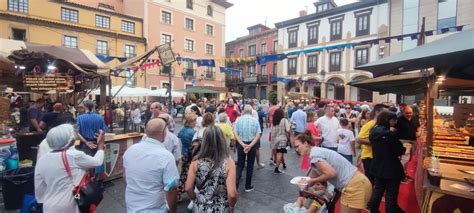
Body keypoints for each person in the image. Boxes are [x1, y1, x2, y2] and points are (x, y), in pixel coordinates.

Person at [294, 130, 372, 213]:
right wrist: (306, 185)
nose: (296, 149)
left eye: (297, 146)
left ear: (306, 143)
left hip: (354, 186)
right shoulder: (317, 152)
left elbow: (331, 173)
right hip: (359, 182)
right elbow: (314, 174)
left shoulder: (315, 156)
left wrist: (313, 181)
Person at [35, 124, 105, 213]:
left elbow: (39, 194)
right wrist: (100, 145)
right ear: (70, 141)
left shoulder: (42, 160)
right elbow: (97, 162)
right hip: (71, 204)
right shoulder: (73, 155)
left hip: (49, 207)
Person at [123, 118, 179, 213]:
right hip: (155, 209)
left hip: (132, 206)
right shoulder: (166, 156)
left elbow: (125, 175)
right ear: (163, 133)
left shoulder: (130, 150)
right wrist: (173, 211)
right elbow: (171, 189)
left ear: (146, 132)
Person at [185, 126, 238, 213]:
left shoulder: (195, 162)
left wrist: (195, 199)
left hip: (200, 207)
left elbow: (188, 188)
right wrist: (231, 207)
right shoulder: (229, 163)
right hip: (221, 208)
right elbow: (232, 194)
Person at [368, 111, 405, 213]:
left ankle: (373, 210)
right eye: (393, 120)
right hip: (391, 168)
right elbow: (399, 150)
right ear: (387, 120)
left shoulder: (373, 131)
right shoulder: (390, 134)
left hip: (377, 166)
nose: (395, 122)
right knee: (390, 195)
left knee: (378, 191)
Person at [357, 104, 388, 183]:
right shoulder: (370, 124)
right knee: (370, 180)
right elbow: (359, 139)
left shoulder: (380, 124)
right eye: (385, 113)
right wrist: (377, 142)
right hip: (369, 157)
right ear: (377, 112)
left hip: (377, 156)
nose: (387, 115)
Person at [233, 105, 261, 192]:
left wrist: (242, 144)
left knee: (240, 164)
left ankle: (236, 184)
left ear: (244, 111)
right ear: (251, 112)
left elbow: (235, 133)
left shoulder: (238, 120)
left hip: (241, 144)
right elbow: (258, 134)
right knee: (250, 165)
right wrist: (250, 145)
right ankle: (247, 186)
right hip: (251, 145)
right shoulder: (255, 121)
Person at [177, 113, 197, 202]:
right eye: (195, 121)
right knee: (190, 174)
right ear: (191, 122)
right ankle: (190, 192)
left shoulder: (182, 130)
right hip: (191, 155)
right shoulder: (193, 132)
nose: (196, 122)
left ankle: (179, 192)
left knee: (184, 174)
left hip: (184, 154)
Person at [396, 106, 419, 181]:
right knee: (404, 159)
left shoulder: (415, 119)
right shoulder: (399, 120)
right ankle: (401, 175)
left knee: (409, 159)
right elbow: (395, 130)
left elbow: (418, 128)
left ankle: (404, 173)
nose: (409, 114)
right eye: (407, 113)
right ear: (403, 113)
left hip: (413, 141)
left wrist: (419, 131)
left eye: (410, 113)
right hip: (404, 141)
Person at [270, 108, 290, 174]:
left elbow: (271, 131)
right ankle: (276, 168)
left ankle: (284, 164)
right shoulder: (284, 120)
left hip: (275, 139)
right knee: (280, 153)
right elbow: (288, 130)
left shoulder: (274, 121)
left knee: (280, 152)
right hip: (282, 139)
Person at [249, 101, 265, 169]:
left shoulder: (244, 111)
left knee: (247, 147)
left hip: (247, 132)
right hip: (254, 133)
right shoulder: (254, 112)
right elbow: (256, 123)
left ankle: (249, 162)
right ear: (252, 105)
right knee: (257, 148)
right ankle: (258, 163)